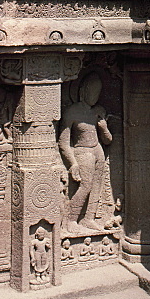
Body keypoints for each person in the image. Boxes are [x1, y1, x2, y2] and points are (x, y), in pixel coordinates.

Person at [58, 73, 113, 234]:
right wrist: (73, 163)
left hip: (98, 151)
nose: (95, 96)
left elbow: (108, 140)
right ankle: (71, 220)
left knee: (97, 186)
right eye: (92, 91)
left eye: (98, 92)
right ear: (83, 90)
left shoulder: (98, 111)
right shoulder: (72, 112)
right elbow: (63, 142)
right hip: (82, 151)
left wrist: (103, 127)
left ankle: (89, 218)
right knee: (85, 185)